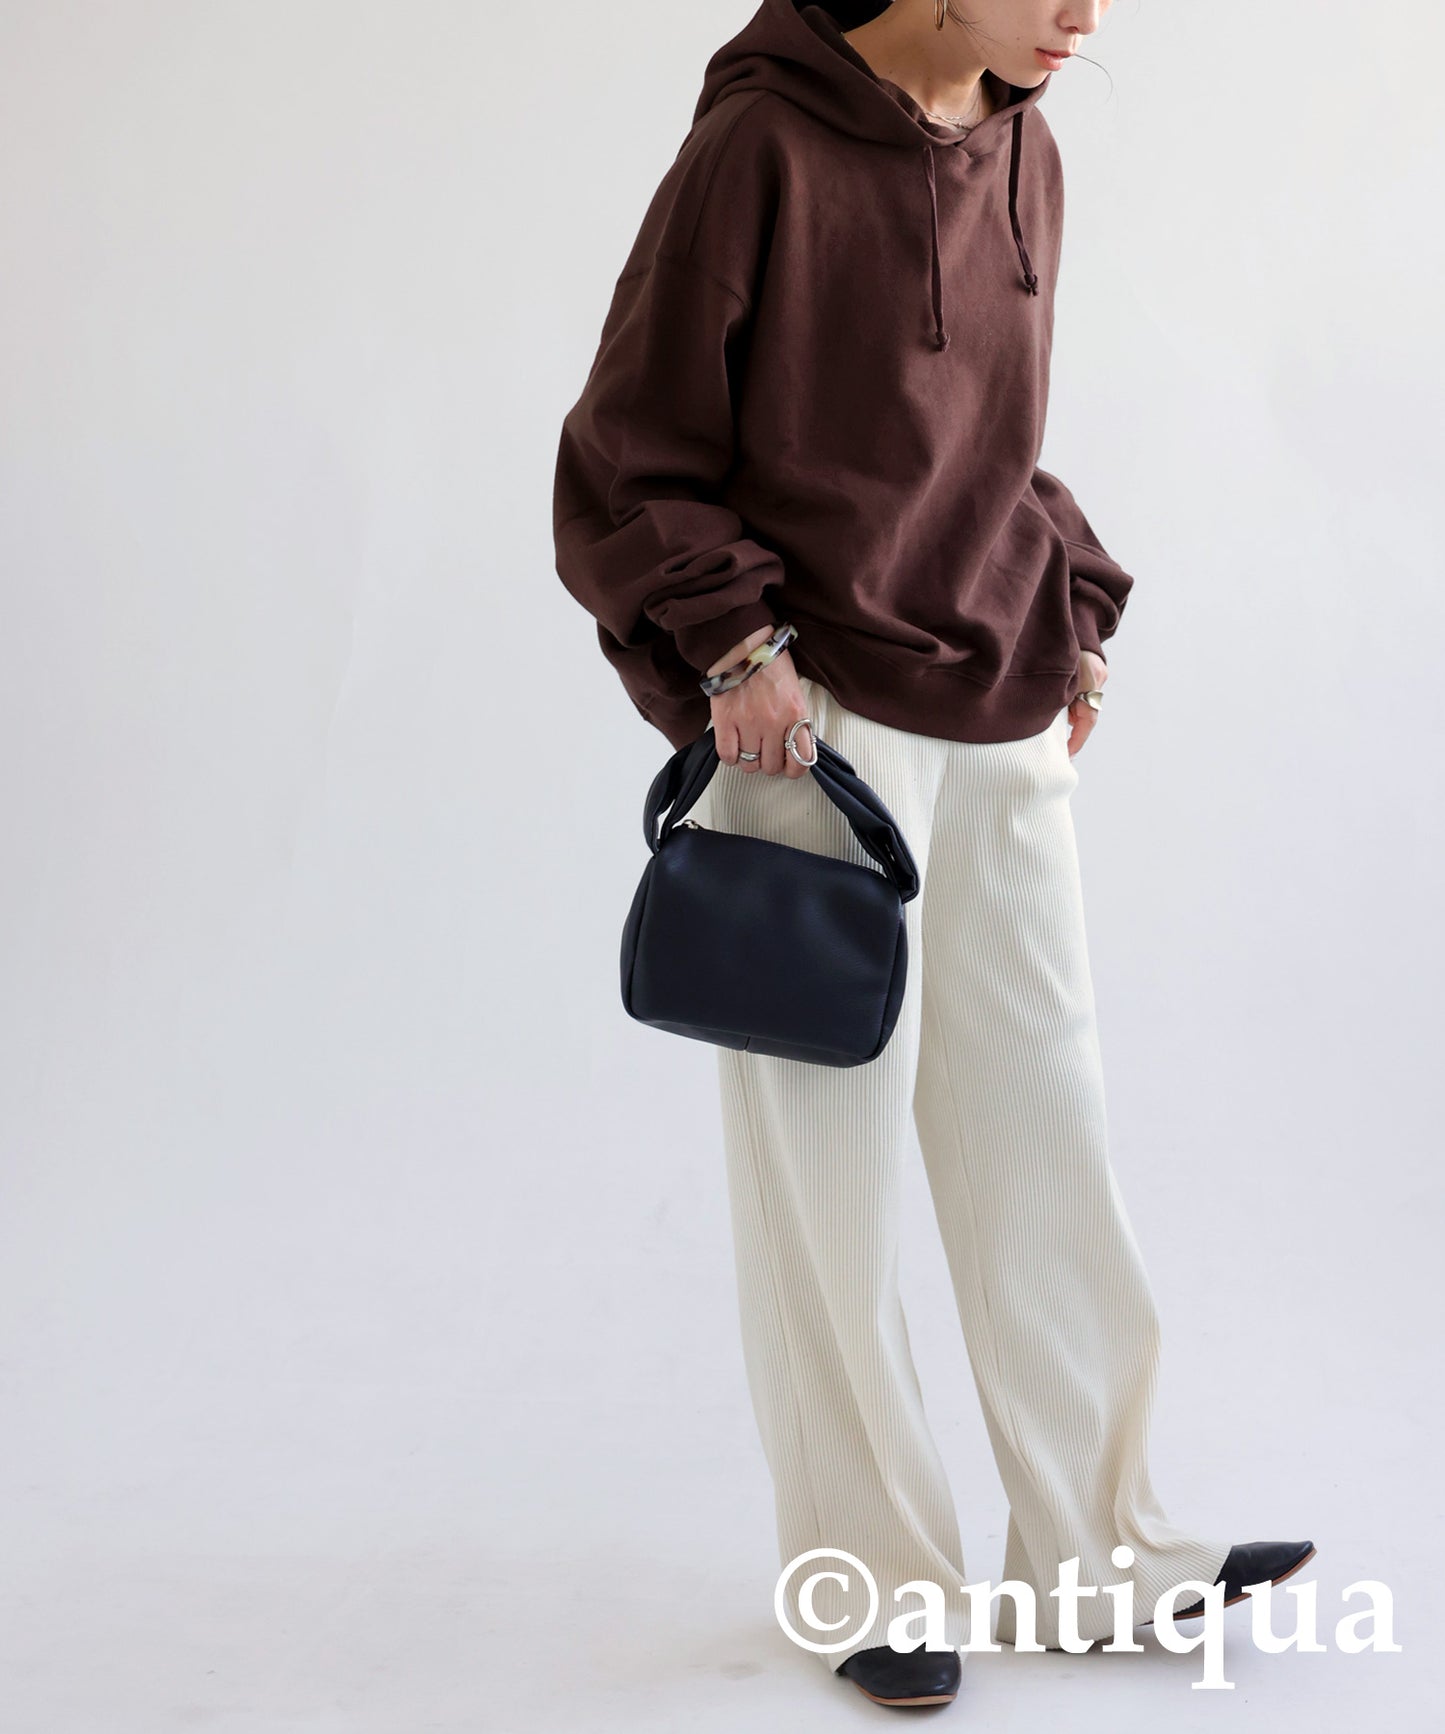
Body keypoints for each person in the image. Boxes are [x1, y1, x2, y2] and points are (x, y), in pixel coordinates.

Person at [552, 0, 1314, 1709]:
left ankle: (1099, 1556)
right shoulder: (758, 145)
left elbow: (985, 451)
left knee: (1046, 1127)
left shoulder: (1027, 143)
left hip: (999, 703)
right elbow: (626, 444)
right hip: (812, 729)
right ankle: (865, 1583)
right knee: (824, 1180)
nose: (1084, 16)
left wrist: (1066, 607)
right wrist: (734, 653)